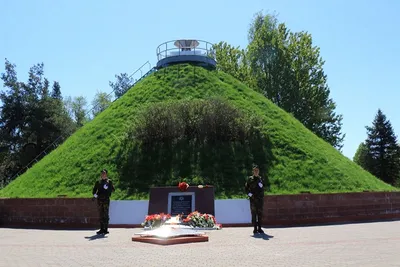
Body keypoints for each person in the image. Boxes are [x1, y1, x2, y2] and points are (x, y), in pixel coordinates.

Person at [92, 169, 115, 235]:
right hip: (99, 200)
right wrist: (95, 195)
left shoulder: (109, 182)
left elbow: (113, 190)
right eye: (102, 173)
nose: (103, 174)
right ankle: (101, 229)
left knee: (106, 214)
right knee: (101, 214)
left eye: (104, 173)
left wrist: (108, 188)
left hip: (106, 200)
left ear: (106, 174)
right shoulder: (98, 182)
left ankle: (106, 229)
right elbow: (94, 190)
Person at [245, 164, 265, 234]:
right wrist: (250, 195)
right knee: (254, 214)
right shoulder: (250, 179)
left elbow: (263, 188)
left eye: (257, 170)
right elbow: (246, 188)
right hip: (253, 200)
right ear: (253, 171)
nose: (256, 172)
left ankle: (259, 228)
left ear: (258, 171)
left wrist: (261, 185)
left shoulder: (261, 178)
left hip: (260, 200)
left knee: (260, 214)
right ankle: (255, 228)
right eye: (255, 170)